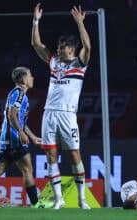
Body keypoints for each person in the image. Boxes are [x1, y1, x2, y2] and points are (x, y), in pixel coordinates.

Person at [31, 3, 92, 209]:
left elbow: (88, 47)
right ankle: (58, 199)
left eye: (62, 47)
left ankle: (82, 199)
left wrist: (80, 24)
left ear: (72, 50)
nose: (58, 49)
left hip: (68, 115)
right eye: (58, 46)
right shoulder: (54, 62)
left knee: (75, 155)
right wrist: (36, 20)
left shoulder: (79, 64)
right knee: (51, 155)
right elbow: (36, 44)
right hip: (49, 114)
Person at [0, 67, 46, 208]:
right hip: (13, 138)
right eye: (30, 75)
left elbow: (18, 119)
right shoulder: (19, 94)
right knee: (27, 169)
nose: (33, 78)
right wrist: (21, 133)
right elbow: (12, 115)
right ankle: (35, 203)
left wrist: (32, 136)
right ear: (23, 80)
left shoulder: (16, 93)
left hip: (6, 137)